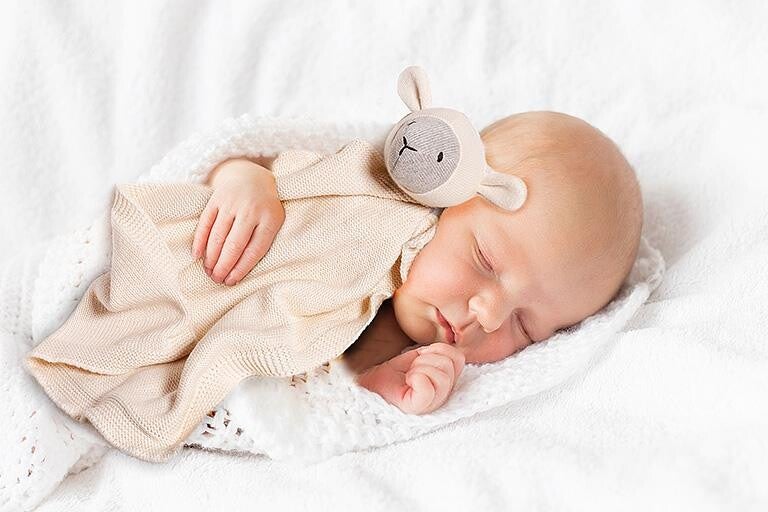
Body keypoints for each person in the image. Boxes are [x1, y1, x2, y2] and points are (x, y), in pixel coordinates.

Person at [193, 111, 643, 416]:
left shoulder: (412, 355)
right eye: (485, 261)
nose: (489, 316)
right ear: (446, 195)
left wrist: (382, 387)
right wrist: (247, 180)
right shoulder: (362, 196)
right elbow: (231, 159)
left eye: (525, 326)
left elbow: (310, 400)